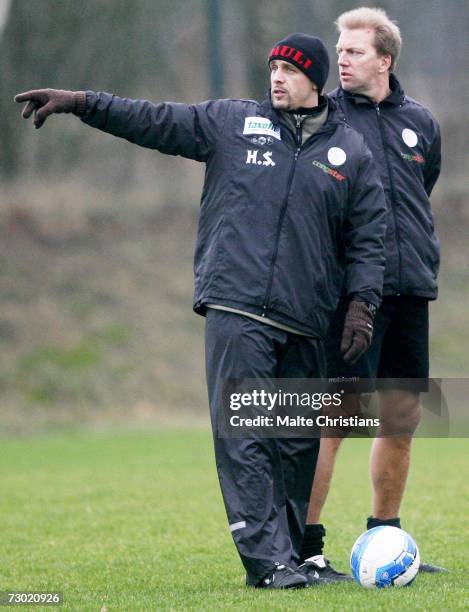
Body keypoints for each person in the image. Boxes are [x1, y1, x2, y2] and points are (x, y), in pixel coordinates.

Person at [15, 33, 386, 589]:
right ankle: (266, 564)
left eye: (290, 69)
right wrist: (83, 102)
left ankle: (289, 556)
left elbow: (368, 238)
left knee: (296, 443)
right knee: (247, 436)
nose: (277, 77)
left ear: (316, 80)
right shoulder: (231, 123)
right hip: (238, 306)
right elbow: (153, 120)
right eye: (273, 68)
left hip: (307, 317)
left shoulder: (351, 151)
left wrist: (362, 305)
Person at [296, 8, 445, 583]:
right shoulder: (324, 118)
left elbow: (419, 190)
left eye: (355, 50)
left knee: (400, 421)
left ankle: (385, 540)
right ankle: (306, 549)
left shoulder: (421, 122)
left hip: (411, 294)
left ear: (384, 59)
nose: (343, 58)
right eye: (341, 48)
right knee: (331, 421)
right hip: (350, 298)